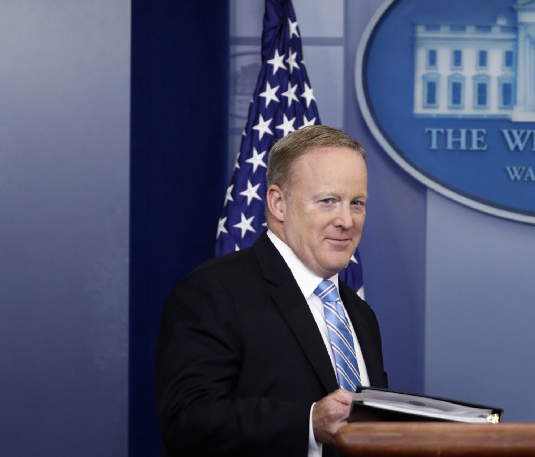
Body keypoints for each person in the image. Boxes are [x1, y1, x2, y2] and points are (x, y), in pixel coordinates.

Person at [156, 125, 388, 456]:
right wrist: (309, 423)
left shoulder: (360, 314)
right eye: (328, 201)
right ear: (278, 203)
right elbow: (187, 419)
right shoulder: (213, 292)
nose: (346, 220)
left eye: (357, 203)